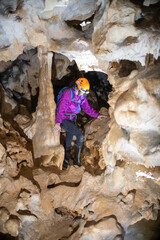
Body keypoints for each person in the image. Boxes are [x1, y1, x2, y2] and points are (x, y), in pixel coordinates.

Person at [54, 78, 106, 168]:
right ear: (77, 87)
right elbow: (61, 108)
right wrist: (58, 122)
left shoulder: (81, 96)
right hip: (64, 119)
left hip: (73, 119)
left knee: (68, 141)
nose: (84, 94)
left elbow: (87, 107)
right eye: (83, 92)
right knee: (80, 136)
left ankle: (65, 163)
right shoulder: (68, 93)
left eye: (85, 93)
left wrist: (96, 115)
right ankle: (76, 163)